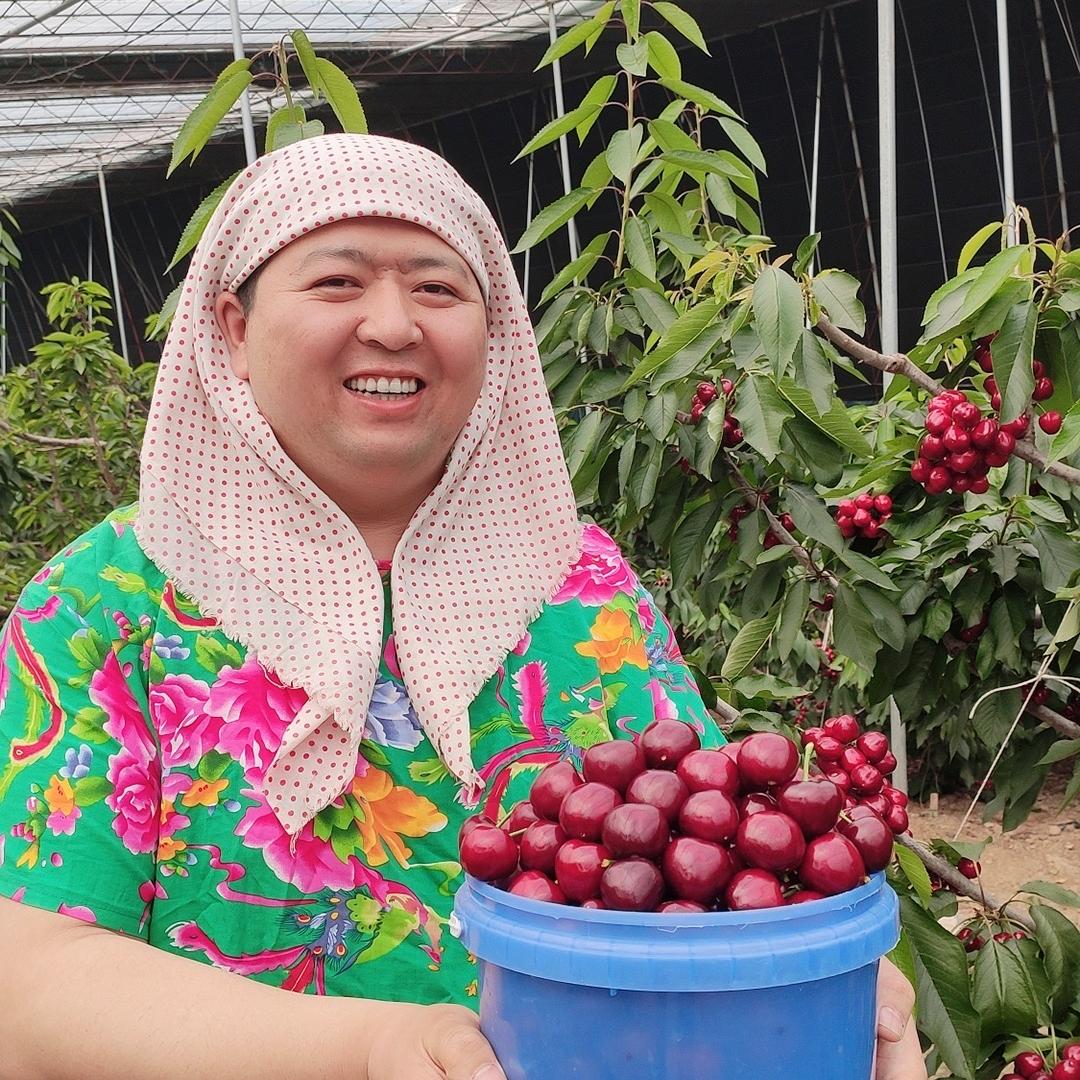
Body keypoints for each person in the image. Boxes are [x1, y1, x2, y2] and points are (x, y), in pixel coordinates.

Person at [0, 133, 925, 1079]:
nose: (395, 324)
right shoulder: (107, 602)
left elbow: (712, 855)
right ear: (232, 329)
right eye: (337, 283)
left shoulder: (576, 581)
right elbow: (31, 991)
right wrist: (376, 1050)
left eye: (439, 288)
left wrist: (829, 971)